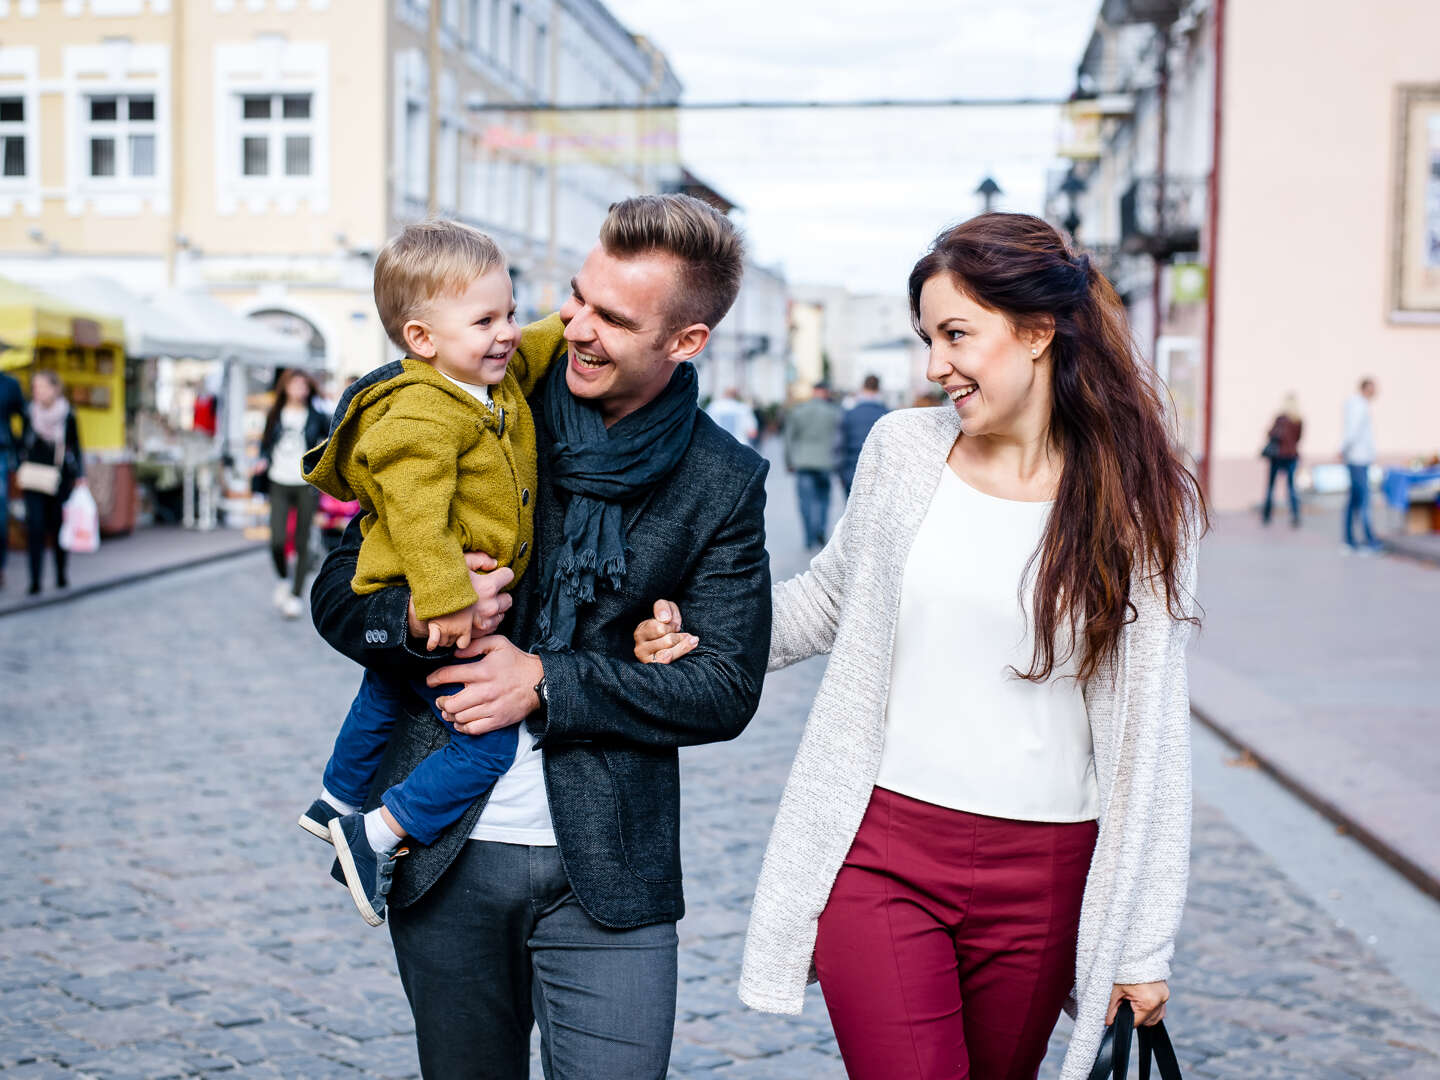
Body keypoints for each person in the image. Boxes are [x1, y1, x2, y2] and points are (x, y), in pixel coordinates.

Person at [637, 213, 1202, 1080]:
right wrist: (704, 634)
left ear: (1039, 331)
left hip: (1047, 870)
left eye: (956, 335)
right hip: (884, 851)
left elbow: (1154, 732)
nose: (935, 364)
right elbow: (830, 601)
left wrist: (1144, 944)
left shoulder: (1137, 504)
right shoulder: (904, 451)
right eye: (926, 338)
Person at [308, 194, 771, 1079]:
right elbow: (341, 592)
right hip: (445, 853)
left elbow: (724, 688)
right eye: (575, 296)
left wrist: (546, 681)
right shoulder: (482, 398)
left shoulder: (721, 477)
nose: (573, 326)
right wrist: (413, 614)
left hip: (611, 869)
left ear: (686, 342)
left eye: (613, 317)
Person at [297, 220, 560, 927]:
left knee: (384, 691)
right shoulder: (420, 411)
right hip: (443, 599)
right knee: (486, 748)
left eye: (509, 312)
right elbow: (416, 516)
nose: (506, 332)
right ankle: (376, 831)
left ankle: (337, 796)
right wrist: (445, 603)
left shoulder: (483, 380)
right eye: (486, 320)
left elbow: (530, 351)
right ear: (422, 338)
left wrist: (566, 320)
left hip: (436, 592)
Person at [256, 369, 328, 618]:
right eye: (295, 384)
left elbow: (331, 442)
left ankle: (296, 595)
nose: (299, 389)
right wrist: (263, 461)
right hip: (278, 480)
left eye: (303, 385)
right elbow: (265, 445)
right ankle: (283, 579)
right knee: (276, 539)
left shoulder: (317, 416)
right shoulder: (275, 415)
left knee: (302, 541)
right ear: (285, 387)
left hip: (305, 484)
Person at [18, 370, 84, 596]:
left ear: (56, 389)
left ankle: (61, 574)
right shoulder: (29, 412)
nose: (38, 392)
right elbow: (22, 442)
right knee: (35, 528)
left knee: (58, 527)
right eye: (35, 387)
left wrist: (80, 475)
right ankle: (35, 580)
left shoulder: (68, 415)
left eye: (43, 387)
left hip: (59, 478)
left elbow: (76, 446)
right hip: (34, 478)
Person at [783, 382, 842, 548]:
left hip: (802, 461)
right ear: (825, 392)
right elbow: (839, 439)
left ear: (814, 392)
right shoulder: (834, 412)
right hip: (825, 462)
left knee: (805, 501)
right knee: (823, 499)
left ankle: (809, 535)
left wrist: (789, 461)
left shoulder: (799, 411)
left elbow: (788, 438)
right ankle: (820, 530)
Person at [1341, 376, 1379, 553]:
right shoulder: (1359, 406)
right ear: (1365, 388)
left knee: (1355, 500)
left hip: (1358, 458)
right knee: (1363, 501)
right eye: (1373, 388)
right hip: (1358, 459)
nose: (1376, 392)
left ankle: (1349, 539)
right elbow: (1352, 432)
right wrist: (1343, 449)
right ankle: (1368, 540)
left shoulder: (1358, 405)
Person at [836, 373, 888, 496]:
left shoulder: (849, 414)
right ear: (878, 389)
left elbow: (840, 444)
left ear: (863, 387)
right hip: (877, 472)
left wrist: (840, 471)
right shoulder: (887, 414)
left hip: (851, 469)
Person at [0, 368, 27, 589]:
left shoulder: (9, 384)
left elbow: (25, 415)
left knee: (0, 515)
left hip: (1, 453)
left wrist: (19, 449)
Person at [1261, 394, 1303, 527]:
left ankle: (1267, 514)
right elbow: (1298, 438)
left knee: (1271, 486)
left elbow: (1270, 433)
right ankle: (1295, 515)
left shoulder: (1280, 418)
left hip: (1278, 456)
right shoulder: (1298, 420)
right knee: (1291, 487)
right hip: (1291, 455)